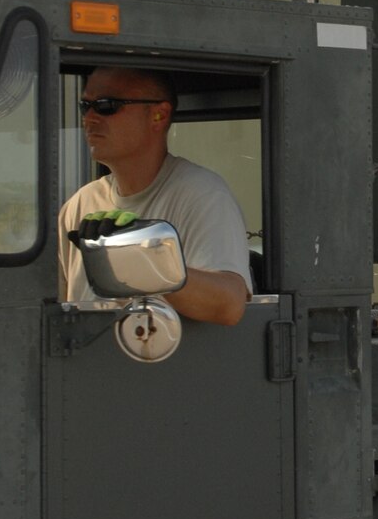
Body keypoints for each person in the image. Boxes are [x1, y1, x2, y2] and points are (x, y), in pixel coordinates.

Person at [57, 67, 252, 325]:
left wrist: (149, 262)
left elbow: (229, 305)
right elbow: (54, 308)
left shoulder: (201, 194)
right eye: (85, 106)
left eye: (106, 106)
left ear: (159, 115)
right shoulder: (81, 204)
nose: (89, 119)